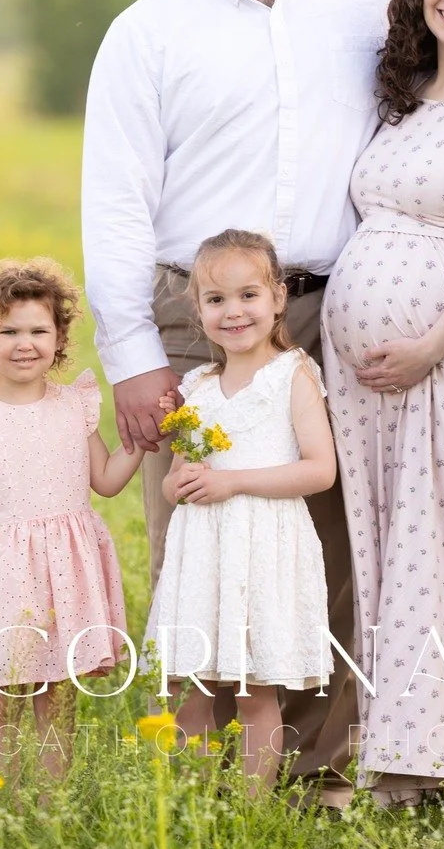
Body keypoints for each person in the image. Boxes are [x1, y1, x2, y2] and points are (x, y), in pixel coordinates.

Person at [81, 0, 394, 795]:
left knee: (330, 540)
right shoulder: (147, 31)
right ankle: (204, 774)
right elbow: (115, 203)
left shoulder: (368, 0)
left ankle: (320, 770)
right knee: (197, 541)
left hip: (330, 306)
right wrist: (132, 352)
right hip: (194, 315)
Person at [141, 229, 337, 795]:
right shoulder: (197, 386)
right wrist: (185, 482)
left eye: (248, 295)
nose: (234, 312)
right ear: (197, 308)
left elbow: (319, 470)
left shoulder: (292, 375)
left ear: (278, 297)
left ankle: (250, 814)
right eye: (216, 300)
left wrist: (231, 482)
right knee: (194, 688)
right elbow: (177, 481)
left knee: (255, 693)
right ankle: (190, 804)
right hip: (204, 552)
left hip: (263, 548)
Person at [0, 257, 142, 784]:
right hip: (6, 569)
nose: (23, 343)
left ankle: (54, 799)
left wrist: (141, 442)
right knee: (4, 687)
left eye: (37, 330)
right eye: (8, 331)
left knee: (57, 689)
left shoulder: (75, 406)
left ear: (59, 337)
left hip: (67, 568)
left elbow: (107, 480)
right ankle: (1, 792)